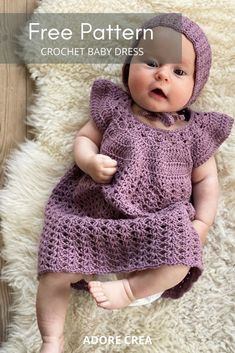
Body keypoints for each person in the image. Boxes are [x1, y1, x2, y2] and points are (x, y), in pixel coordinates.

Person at [36, 13, 233, 353]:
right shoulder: (115, 109)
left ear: (196, 86)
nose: (162, 74)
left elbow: (206, 180)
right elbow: (85, 139)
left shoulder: (196, 134)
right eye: (151, 61)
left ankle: (129, 290)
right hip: (95, 213)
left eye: (179, 71)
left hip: (157, 224)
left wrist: (202, 222)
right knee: (55, 264)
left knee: (181, 257)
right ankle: (51, 339)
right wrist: (89, 161)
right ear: (128, 69)